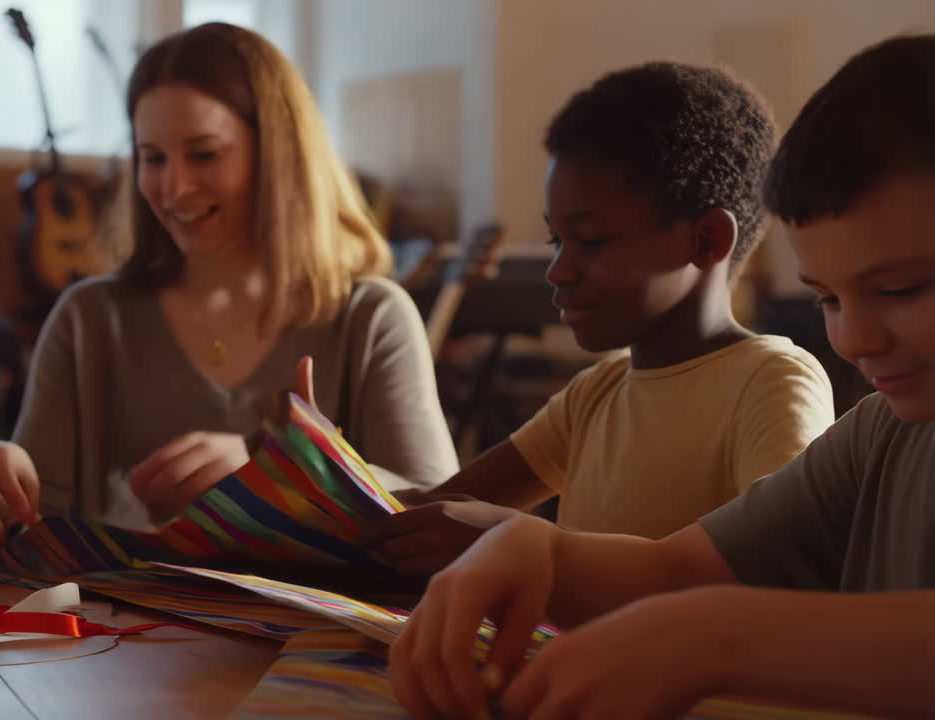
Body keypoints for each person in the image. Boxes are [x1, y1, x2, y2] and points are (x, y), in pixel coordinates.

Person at [388, 35, 935, 720]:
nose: (852, 339)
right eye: (827, 298)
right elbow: (680, 570)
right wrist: (532, 548)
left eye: (904, 288)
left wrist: (709, 636)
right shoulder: (877, 438)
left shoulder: (776, 382)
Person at [0, 22, 457, 542]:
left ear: (277, 157)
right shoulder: (87, 319)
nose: (174, 188)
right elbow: (34, 528)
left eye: (204, 154)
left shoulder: (372, 318)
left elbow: (439, 509)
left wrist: (276, 477)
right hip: (117, 622)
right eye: (153, 158)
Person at [371, 61, 836, 577]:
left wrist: (515, 542)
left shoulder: (771, 384)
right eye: (557, 240)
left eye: (590, 241)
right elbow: (436, 512)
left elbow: (779, 576)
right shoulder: (596, 393)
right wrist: (324, 468)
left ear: (705, 241)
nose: (558, 270)